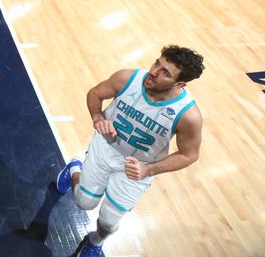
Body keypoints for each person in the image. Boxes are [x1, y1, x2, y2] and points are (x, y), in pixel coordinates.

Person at [55, 45, 204, 257]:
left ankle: (95, 241)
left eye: (165, 72)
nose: (153, 71)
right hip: (104, 149)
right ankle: (74, 168)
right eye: (157, 63)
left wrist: (148, 169)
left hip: (138, 168)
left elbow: (189, 155)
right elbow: (95, 93)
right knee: (84, 202)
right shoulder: (128, 79)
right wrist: (97, 117)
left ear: (179, 84)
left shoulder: (188, 115)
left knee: (108, 221)